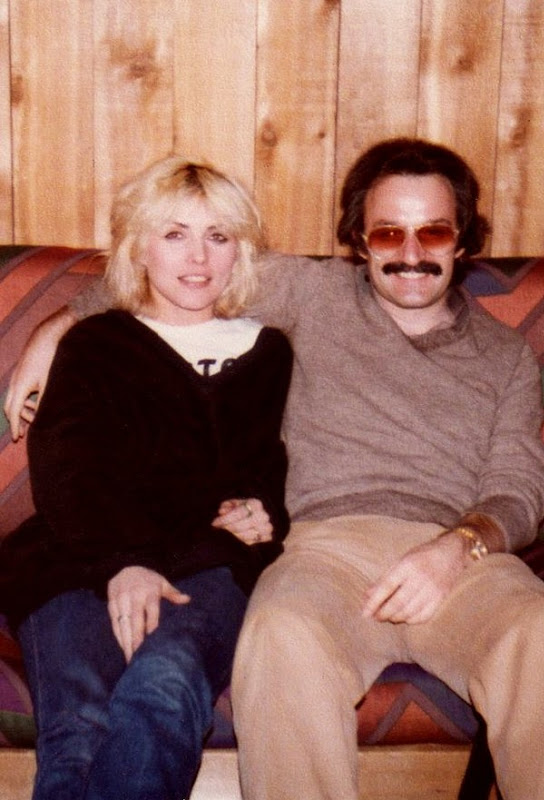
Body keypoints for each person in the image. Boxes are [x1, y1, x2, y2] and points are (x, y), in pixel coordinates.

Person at [4, 139, 544, 799]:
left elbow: (519, 486)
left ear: (463, 240)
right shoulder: (313, 293)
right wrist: (54, 329)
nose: (411, 253)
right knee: (280, 638)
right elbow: (176, 267)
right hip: (320, 548)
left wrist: (459, 546)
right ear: (359, 241)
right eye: (388, 232)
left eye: (434, 231)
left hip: (459, 555)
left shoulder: (505, 354)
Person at [0, 156, 292, 800]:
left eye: (218, 236)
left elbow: (264, 462)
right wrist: (124, 563)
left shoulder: (269, 350)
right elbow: (68, 472)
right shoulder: (94, 343)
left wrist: (259, 508)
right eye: (175, 234)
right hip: (77, 556)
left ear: (240, 251)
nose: (198, 257)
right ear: (139, 248)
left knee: (164, 685)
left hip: (209, 560)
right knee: (79, 722)